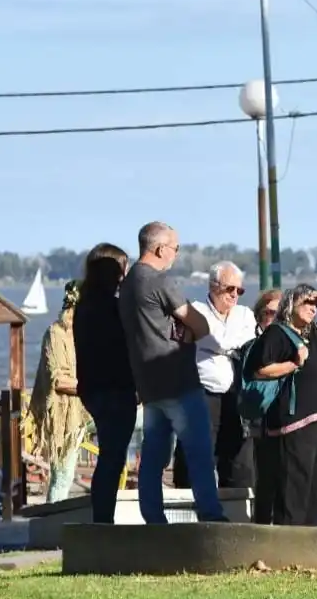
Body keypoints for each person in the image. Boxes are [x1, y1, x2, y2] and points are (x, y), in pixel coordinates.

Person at [118, 221, 226, 523]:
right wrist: (189, 331)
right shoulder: (158, 281)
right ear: (159, 249)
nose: (176, 255)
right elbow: (201, 325)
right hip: (178, 380)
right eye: (175, 249)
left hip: (149, 384)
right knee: (199, 452)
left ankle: (153, 518)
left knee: (153, 456)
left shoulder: (127, 284)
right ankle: (211, 515)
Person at [245, 284, 317, 527]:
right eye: (307, 302)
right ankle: (289, 538)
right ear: (291, 304)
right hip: (296, 420)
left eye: (316, 305)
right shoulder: (277, 333)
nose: (313, 308)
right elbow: (259, 369)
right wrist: (294, 363)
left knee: (315, 484)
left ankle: (308, 538)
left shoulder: (315, 332)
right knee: (295, 486)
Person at [173, 261, 257, 490]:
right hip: (202, 395)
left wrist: (218, 344)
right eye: (229, 288)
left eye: (239, 290)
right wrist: (229, 345)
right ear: (213, 286)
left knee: (238, 462)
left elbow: (249, 343)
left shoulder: (245, 314)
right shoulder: (196, 311)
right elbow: (218, 340)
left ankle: (236, 507)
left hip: (235, 396)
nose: (235, 294)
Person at [74, 242, 137, 523]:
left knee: (109, 456)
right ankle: (102, 521)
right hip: (116, 388)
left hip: (93, 388)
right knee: (113, 458)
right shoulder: (113, 308)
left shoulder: (85, 306)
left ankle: (102, 518)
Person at [25, 281, 89, 503]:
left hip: (88, 408)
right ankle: (54, 518)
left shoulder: (86, 332)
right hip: (64, 413)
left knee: (143, 417)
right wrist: (93, 386)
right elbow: (58, 381)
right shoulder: (56, 334)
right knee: (62, 477)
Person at [245, 288, 282, 524]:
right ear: (259, 316)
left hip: (284, 419)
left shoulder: (290, 345)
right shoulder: (251, 346)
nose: (272, 319)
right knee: (262, 481)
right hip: (257, 421)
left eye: (278, 314)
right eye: (268, 313)